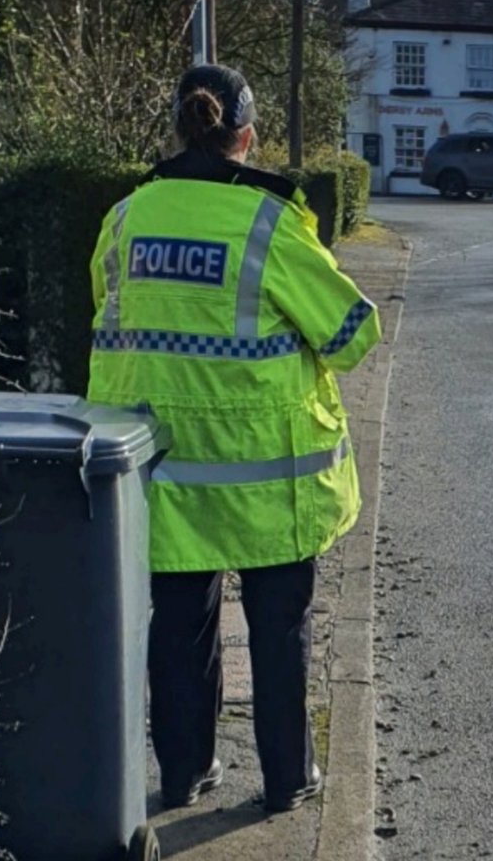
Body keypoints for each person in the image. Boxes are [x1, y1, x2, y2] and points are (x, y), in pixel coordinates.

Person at [87, 63, 382, 813]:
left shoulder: (125, 217)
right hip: (267, 481)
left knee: (177, 630)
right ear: (245, 137)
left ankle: (184, 773)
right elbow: (351, 334)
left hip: (163, 474)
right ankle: (287, 780)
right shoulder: (268, 223)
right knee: (278, 635)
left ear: (179, 128)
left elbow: (109, 315)